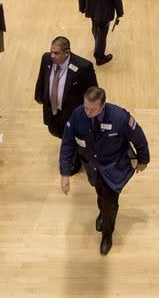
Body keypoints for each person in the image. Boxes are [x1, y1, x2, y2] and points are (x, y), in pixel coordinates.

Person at [59, 86, 150, 255]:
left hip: (114, 167)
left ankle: (107, 234)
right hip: (92, 166)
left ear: (103, 106)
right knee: (100, 192)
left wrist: (143, 159)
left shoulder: (120, 117)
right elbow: (67, 143)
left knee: (110, 202)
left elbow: (139, 137)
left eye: (92, 109)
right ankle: (103, 212)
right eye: (86, 107)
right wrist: (65, 174)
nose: (87, 112)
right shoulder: (78, 115)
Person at [34, 37, 98, 176]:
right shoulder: (46, 59)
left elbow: (93, 92)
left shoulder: (83, 67)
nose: (52, 56)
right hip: (53, 111)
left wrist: (91, 114)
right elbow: (42, 78)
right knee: (57, 132)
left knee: (72, 140)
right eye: (51, 52)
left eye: (56, 53)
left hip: (73, 115)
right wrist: (39, 96)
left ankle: (75, 163)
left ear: (67, 53)